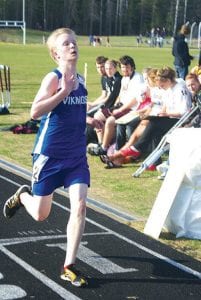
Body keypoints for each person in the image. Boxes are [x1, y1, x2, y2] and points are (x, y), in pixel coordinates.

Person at [3, 28, 90, 287]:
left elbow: (73, 114)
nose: (72, 46)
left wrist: (91, 118)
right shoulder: (53, 79)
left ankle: (69, 265)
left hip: (75, 156)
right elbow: (35, 111)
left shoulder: (82, 79)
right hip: (49, 155)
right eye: (66, 44)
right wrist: (63, 91)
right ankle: (22, 196)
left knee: (80, 206)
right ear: (56, 53)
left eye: (74, 42)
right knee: (41, 214)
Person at [106, 66, 192, 164]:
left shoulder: (179, 90)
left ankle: (136, 148)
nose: (160, 88)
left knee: (153, 124)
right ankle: (154, 161)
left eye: (162, 85)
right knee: (153, 128)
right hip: (171, 118)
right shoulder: (170, 87)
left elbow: (184, 112)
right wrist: (162, 113)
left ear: (168, 80)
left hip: (180, 121)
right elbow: (166, 104)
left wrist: (166, 113)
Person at [88, 55, 144, 156]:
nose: (124, 69)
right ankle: (102, 143)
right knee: (97, 116)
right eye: (122, 67)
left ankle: (104, 148)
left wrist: (120, 109)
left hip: (131, 109)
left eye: (126, 67)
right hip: (121, 106)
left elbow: (135, 99)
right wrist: (115, 106)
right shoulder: (124, 79)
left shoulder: (138, 78)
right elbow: (120, 95)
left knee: (110, 121)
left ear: (132, 66)